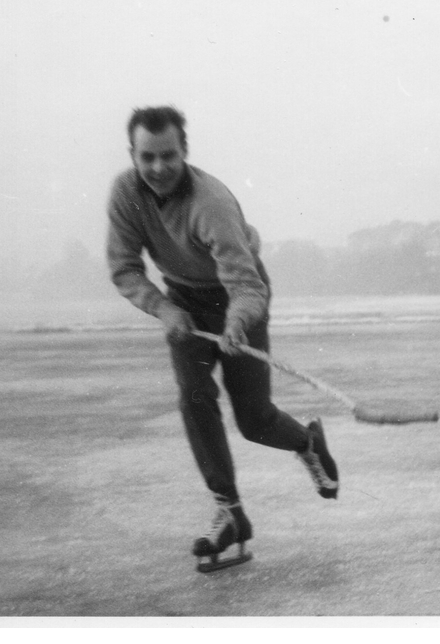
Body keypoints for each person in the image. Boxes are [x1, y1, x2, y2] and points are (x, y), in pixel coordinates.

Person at [106, 105, 338, 572]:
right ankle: (229, 511)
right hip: (182, 298)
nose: (157, 168)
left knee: (254, 420)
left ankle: (306, 442)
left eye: (168, 156)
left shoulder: (210, 202)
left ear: (185, 151)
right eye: (146, 157)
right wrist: (165, 308)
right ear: (132, 154)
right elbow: (125, 267)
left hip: (239, 291)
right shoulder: (126, 193)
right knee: (194, 397)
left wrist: (237, 322)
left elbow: (247, 285)